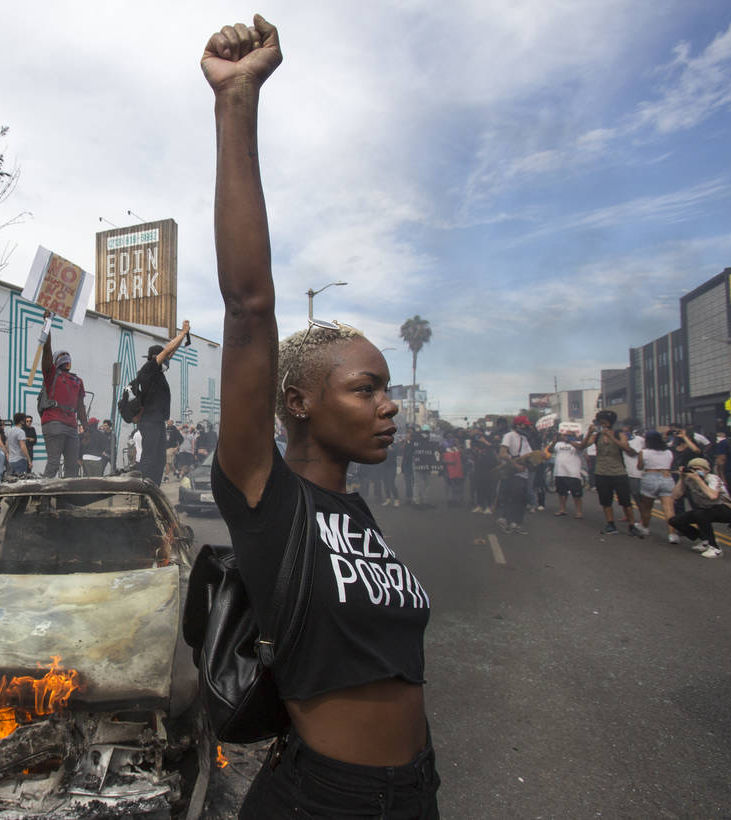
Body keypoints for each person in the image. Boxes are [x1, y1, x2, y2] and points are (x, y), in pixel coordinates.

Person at [202, 17, 438, 818]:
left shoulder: (356, 510)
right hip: (326, 803)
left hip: (415, 791)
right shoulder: (267, 497)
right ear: (298, 403)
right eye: (365, 388)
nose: (389, 404)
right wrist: (238, 104)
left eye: (383, 388)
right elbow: (248, 304)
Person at [135, 320, 192, 484]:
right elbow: (167, 350)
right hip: (150, 421)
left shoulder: (158, 373)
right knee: (150, 458)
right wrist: (182, 333)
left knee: (159, 460)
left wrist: (182, 337)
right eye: (163, 359)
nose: (168, 361)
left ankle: (154, 489)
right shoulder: (148, 370)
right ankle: (145, 493)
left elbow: (170, 352)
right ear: (156, 358)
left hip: (158, 422)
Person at [39, 323, 89, 479]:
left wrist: (86, 429)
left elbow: (80, 407)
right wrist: (47, 325)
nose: (66, 359)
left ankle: (66, 501)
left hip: (71, 425)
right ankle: (41, 499)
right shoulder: (51, 374)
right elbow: (46, 350)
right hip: (54, 422)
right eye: (62, 356)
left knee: (72, 466)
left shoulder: (77, 380)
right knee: (54, 463)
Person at [584, 410, 640, 537]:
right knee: (606, 501)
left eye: (603, 421)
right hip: (601, 472)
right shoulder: (597, 435)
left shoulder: (619, 434)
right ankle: (610, 524)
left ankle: (632, 525)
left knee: (625, 501)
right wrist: (589, 433)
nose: (602, 424)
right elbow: (582, 445)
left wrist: (611, 437)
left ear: (610, 422)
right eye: (600, 422)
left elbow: (626, 448)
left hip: (618, 472)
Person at [669, 457, 731, 557]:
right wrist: (681, 479)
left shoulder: (713, 478)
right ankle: (706, 540)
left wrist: (698, 479)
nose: (695, 472)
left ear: (707, 470)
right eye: (693, 469)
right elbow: (675, 495)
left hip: (727, 509)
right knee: (674, 521)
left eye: (698, 469)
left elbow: (712, 496)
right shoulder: (688, 479)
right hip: (706, 510)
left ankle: (715, 548)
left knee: (700, 514)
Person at [497, 416, 534, 535]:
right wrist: (515, 465)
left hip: (524, 473)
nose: (527, 427)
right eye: (524, 425)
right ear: (517, 425)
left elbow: (529, 455)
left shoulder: (524, 438)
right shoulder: (509, 436)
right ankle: (507, 521)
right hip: (513, 473)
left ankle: (515, 523)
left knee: (521, 500)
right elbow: (502, 453)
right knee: (514, 498)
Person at [635, 430, 675, 540]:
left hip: (650, 476)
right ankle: (672, 534)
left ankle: (645, 528)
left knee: (647, 507)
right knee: (669, 509)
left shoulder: (644, 452)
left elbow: (639, 467)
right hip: (666, 477)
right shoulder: (668, 452)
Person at [549, 430, 586, 518]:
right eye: (565, 435)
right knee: (561, 493)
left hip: (572, 473)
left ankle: (579, 512)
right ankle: (562, 509)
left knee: (576, 494)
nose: (566, 437)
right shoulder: (558, 444)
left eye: (569, 435)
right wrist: (554, 441)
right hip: (560, 471)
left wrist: (569, 441)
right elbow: (550, 450)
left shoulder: (578, 443)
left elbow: (580, 447)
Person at [5, 412, 31, 477]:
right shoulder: (21, 432)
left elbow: (6, 445)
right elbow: (23, 447)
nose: (25, 421)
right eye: (24, 420)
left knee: (12, 483)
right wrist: (29, 460)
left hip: (11, 461)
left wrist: (8, 455)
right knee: (21, 483)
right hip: (20, 460)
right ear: (21, 421)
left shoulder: (9, 431)